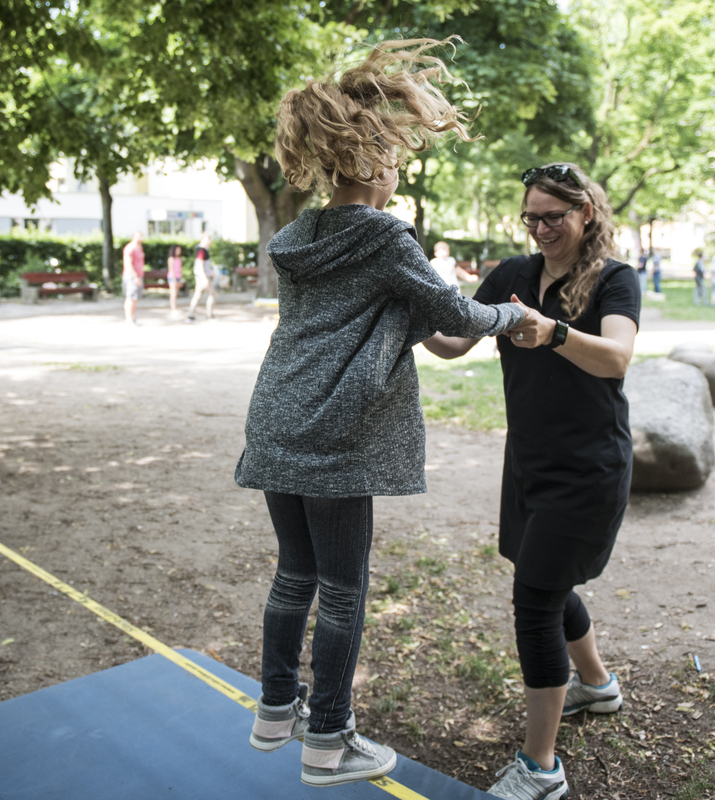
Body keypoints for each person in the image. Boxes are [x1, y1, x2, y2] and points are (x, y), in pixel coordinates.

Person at [234, 38, 534, 789]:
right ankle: (330, 738)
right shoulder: (383, 234)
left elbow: (397, 320)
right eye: (395, 155)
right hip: (337, 431)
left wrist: (442, 318)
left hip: (276, 419)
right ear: (372, 161)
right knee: (342, 586)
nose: (400, 168)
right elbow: (448, 310)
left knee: (293, 574)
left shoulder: (296, 237)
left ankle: (276, 710)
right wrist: (510, 318)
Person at [424, 162, 637, 800]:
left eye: (555, 216)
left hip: (589, 469)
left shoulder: (612, 277)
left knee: (535, 600)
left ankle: (541, 767)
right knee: (543, 578)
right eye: (532, 217)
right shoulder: (514, 275)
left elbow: (618, 356)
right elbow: (455, 342)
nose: (542, 228)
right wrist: (407, 313)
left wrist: (554, 332)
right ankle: (596, 687)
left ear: (586, 214)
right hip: (529, 463)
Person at [187, 233, 215, 321]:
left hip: (202, 276)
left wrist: (210, 271)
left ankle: (190, 315)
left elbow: (204, 265)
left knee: (198, 295)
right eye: (208, 239)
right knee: (213, 294)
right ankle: (209, 315)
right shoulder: (201, 251)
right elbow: (199, 265)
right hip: (202, 277)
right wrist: (204, 278)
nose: (209, 241)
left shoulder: (203, 250)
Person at [122, 231, 145, 325]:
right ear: (134, 237)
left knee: (135, 298)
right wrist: (135, 276)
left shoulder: (139, 248)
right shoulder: (130, 248)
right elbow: (127, 264)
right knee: (130, 298)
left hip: (139, 276)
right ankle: (129, 320)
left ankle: (132, 318)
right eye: (139, 237)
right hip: (132, 276)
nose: (141, 239)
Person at [166, 245, 184, 317]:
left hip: (178, 278)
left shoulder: (179, 259)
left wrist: (181, 280)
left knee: (176, 294)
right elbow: (171, 270)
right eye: (177, 250)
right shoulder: (171, 259)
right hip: (172, 278)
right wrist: (173, 280)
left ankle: (175, 309)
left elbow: (180, 270)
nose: (179, 251)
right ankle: (173, 310)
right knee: (173, 294)